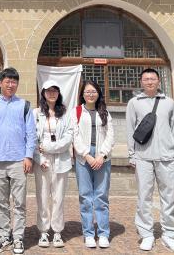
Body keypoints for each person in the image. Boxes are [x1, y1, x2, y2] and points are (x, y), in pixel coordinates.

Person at [126, 68, 174, 252]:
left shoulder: (169, 102)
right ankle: (146, 234)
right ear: (141, 82)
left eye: (152, 78)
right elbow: (130, 129)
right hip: (143, 156)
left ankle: (170, 234)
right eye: (146, 79)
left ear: (159, 81)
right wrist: (132, 154)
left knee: (169, 197)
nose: (149, 82)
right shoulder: (134, 103)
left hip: (166, 156)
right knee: (144, 197)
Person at [0, 68, 37, 255]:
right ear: (0, 83)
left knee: (19, 203)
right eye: (7, 81)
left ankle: (18, 238)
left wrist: (28, 156)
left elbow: (31, 133)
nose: (11, 85)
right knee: (1, 202)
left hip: (18, 161)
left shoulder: (24, 105)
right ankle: (4, 236)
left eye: (14, 81)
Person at [72, 80, 115, 249]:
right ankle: (89, 233)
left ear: (98, 94)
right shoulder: (76, 112)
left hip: (102, 156)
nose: (90, 94)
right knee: (85, 196)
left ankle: (103, 233)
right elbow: (74, 135)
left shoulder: (105, 112)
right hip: (84, 157)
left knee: (101, 196)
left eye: (93, 92)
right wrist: (86, 155)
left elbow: (110, 135)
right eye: (87, 92)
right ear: (82, 94)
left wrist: (101, 155)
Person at [33, 80, 73, 249]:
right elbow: (32, 138)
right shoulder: (36, 113)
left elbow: (69, 136)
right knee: (42, 197)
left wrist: (50, 147)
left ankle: (57, 231)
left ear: (59, 93)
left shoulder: (65, 113)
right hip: (42, 160)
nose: (52, 93)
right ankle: (43, 231)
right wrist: (39, 158)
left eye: (55, 90)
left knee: (58, 198)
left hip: (61, 159)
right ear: (43, 93)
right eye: (48, 91)